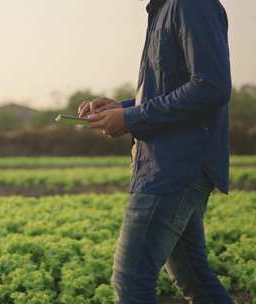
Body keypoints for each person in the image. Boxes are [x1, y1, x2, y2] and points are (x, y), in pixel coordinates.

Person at [77, 0, 233, 303]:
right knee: (194, 277)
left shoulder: (190, 4)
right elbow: (167, 90)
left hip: (174, 169)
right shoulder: (163, 9)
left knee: (131, 281)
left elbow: (211, 87)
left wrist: (130, 119)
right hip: (166, 166)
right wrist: (121, 108)